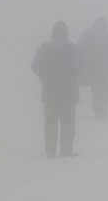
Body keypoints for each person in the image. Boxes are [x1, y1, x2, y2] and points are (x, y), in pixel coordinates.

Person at [32, 20, 81, 157]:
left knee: (50, 124)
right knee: (68, 124)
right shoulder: (73, 49)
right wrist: (73, 76)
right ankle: (67, 150)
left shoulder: (45, 49)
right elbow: (82, 67)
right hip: (69, 94)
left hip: (50, 94)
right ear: (67, 33)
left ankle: (51, 150)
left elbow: (35, 66)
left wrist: (44, 76)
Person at [78, 17, 108, 119]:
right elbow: (79, 51)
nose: (100, 29)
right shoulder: (103, 36)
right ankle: (100, 110)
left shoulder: (91, 35)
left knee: (100, 91)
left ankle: (101, 110)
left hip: (102, 70)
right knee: (97, 91)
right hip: (95, 70)